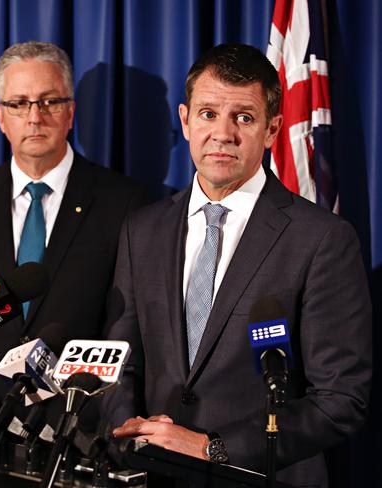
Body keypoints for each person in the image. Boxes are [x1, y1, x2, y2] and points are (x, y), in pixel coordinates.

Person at [103, 44, 371, 487]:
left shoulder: (323, 239)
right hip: (156, 476)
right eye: (208, 113)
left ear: (272, 130)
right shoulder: (142, 230)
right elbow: (121, 360)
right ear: (185, 120)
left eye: (243, 118)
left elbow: (340, 399)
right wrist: (127, 429)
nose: (222, 133)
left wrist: (213, 448)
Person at [0, 41, 149, 424]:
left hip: (76, 430)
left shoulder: (123, 202)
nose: (35, 117)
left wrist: (75, 415)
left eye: (49, 102)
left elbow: (125, 330)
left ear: (70, 112)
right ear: (0, 117)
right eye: (19, 103)